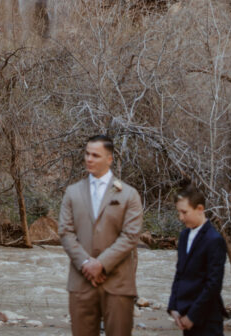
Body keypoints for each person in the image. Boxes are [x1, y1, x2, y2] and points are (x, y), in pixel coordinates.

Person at [58, 134, 143, 336]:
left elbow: (131, 236)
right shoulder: (72, 192)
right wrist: (86, 263)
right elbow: (65, 231)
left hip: (118, 284)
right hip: (81, 281)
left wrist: (101, 264)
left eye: (95, 155)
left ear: (109, 159)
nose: (89, 159)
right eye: (87, 154)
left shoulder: (129, 194)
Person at [168, 185, 228, 336]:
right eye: (178, 212)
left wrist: (192, 316)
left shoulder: (214, 240)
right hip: (184, 314)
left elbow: (213, 284)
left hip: (207, 319)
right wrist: (173, 307)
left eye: (184, 212)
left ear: (200, 209)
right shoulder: (183, 237)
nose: (181, 217)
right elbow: (179, 274)